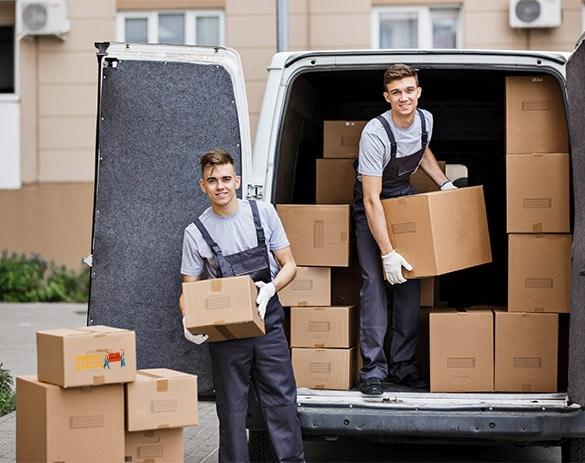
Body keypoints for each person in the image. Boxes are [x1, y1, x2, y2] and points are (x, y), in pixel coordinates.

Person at [178, 148, 305, 462]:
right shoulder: (196, 233)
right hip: (226, 334)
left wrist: (270, 289)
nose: (220, 186)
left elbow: (290, 264)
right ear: (202, 186)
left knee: (282, 402)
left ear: (237, 181)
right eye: (212, 180)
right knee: (232, 410)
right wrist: (189, 321)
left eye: (225, 179)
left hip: (268, 323)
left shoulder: (263, 213)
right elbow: (188, 290)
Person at [352, 64, 456, 396]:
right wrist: (387, 253)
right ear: (387, 97)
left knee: (411, 284)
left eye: (409, 90)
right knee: (375, 287)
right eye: (396, 92)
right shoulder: (375, 133)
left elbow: (422, 150)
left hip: (403, 199)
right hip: (372, 204)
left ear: (418, 92)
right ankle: (373, 370)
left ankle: (404, 366)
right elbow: (370, 199)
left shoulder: (426, 120)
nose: (404, 97)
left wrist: (444, 183)